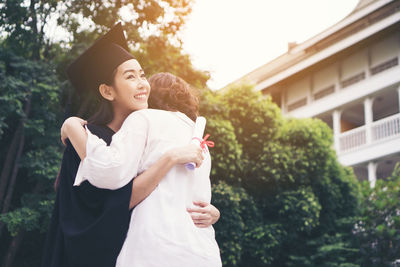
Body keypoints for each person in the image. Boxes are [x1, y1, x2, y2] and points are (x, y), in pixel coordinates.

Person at [41, 23, 219, 267]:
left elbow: (170, 192)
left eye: (142, 75)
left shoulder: (146, 133)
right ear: (107, 91)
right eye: (130, 76)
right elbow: (108, 206)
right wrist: (169, 158)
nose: (142, 83)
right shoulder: (89, 140)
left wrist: (211, 211)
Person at [62, 72, 222, 266]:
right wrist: (216, 213)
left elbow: (109, 168)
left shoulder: (144, 118)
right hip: (203, 251)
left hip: (156, 244)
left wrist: (72, 126)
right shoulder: (201, 144)